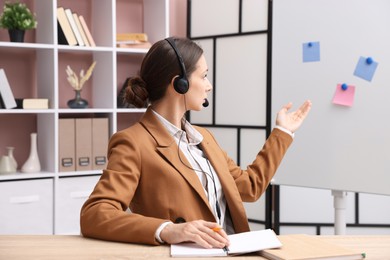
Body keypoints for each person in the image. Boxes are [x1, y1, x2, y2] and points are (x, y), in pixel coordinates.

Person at [80, 37, 312, 249]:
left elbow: (250, 187)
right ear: (179, 83)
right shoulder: (133, 142)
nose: (209, 85)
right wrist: (168, 229)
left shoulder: (203, 138)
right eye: (203, 76)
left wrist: (282, 132)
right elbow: (95, 214)